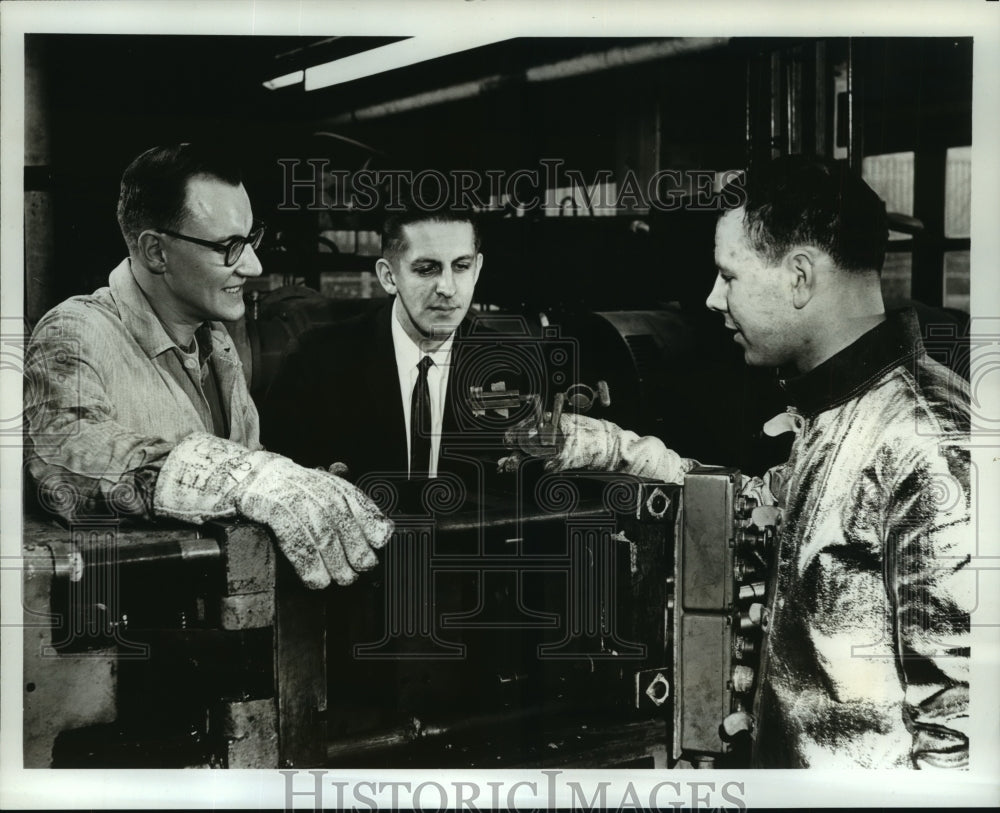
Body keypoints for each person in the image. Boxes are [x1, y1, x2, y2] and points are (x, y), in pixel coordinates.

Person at [502, 155, 971, 769]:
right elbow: (761, 502)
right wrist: (603, 447)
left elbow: (963, 734)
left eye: (729, 277)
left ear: (799, 276)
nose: (711, 298)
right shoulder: (839, 412)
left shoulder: (929, 438)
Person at [23, 143, 393, 590]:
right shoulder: (75, 330)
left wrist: (289, 488)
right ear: (156, 252)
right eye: (229, 247)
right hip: (125, 636)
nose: (253, 265)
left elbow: (245, 485)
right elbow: (62, 455)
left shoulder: (216, 343)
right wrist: (237, 478)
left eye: (251, 239)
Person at [261, 200, 516, 486]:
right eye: (426, 269)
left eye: (461, 266)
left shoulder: (510, 363)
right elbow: (279, 484)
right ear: (388, 276)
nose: (447, 287)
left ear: (477, 268)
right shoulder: (315, 361)